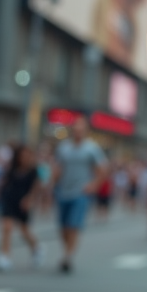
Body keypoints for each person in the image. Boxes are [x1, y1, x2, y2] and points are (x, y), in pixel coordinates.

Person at [52, 114, 109, 274]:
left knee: (73, 225)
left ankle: (68, 256)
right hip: (63, 191)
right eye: (75, 127)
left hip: (81, 192)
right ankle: (67, 250)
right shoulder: (64, 147)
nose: (78, 131)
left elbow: (103, 170)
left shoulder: (91, 148)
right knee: (63, 227)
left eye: (81, 128)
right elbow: (57, 168)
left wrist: (94, 185)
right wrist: (51, 183)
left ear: (86, 130)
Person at [0, 145, 44, 271]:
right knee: (7, 227)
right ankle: (5, 256)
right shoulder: (12, 169)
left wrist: (30, 200)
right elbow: (4, 182)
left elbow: (36, 188)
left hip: (23, 202)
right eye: (22, 155)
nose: (25, 158)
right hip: (10, 200)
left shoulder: (33, 171)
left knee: (24, 231)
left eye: (27, 155)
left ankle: (36, 248)